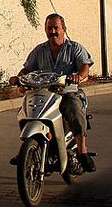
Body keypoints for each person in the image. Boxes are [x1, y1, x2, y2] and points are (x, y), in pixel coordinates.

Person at [10, 13, 96, 172]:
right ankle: (29, 149)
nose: (53, 31)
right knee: (27, 110)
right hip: (44, 93)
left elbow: (84, 66)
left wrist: (79, 76)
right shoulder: (39, 50)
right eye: (49, 28)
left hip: (66, 92)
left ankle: (82, 151)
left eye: (56, 28)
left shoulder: (74, 48)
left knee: (74, 108)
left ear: (64, 29)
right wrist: (18, 78)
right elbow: (28, 69)